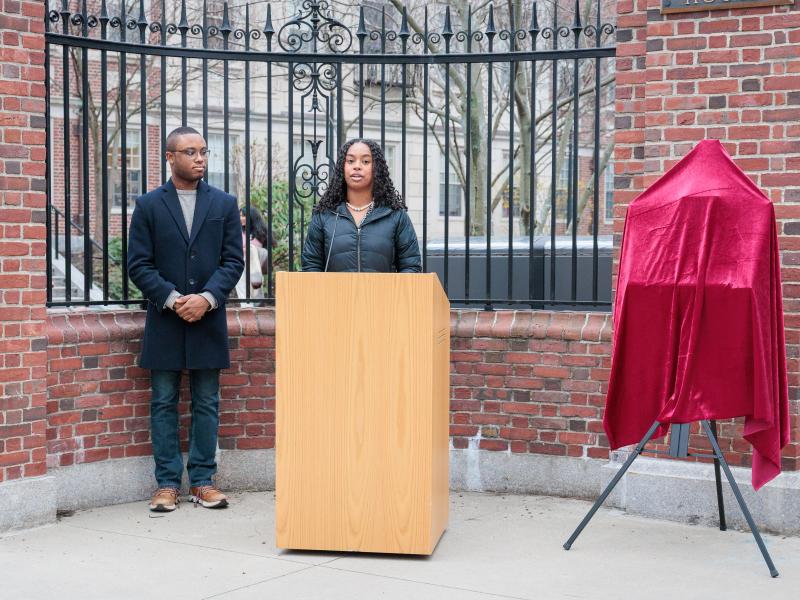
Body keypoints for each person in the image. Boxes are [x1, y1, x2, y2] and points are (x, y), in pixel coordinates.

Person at [128, 126, 244, 512]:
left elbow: (233, 262)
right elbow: (138, 265)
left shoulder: (225, 204)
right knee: (163, 402)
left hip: (208, 319)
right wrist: (176, 299)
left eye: (204, 152)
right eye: (190, 152)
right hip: (166, 319)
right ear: (170, 157)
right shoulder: (148, 205)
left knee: (207, 402)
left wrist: (207, 298)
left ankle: (203, 481)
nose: (200, 158)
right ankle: (165, 484)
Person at [301, 138, 422, 273]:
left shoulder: (396, 216)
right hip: (335, 294)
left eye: (365, 161)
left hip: (383, 294)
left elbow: (411, 267)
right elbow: (311, 266)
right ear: (343, 167)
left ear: (377, 169)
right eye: (350, 161)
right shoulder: (324, 216)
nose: (357, 166)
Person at [234, 206, 270, 301]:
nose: (240, 218)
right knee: (239, 275)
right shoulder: (238, 231)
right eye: (240, 215)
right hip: (243, 261)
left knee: (251, 249)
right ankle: (245, 304)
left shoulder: (259, 231)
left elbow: (259, 248)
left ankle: (256, 282)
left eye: (243, 216)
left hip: (257, 259)